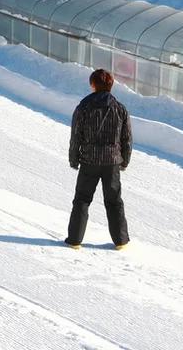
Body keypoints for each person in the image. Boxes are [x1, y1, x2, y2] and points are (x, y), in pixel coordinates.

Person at [65, 68, 131, 249]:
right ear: (111, 85)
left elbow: (76, 135)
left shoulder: (83, 107)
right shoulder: (120, 109)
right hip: (112, 162)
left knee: (82, 199)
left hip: (89, 161)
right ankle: (121, 241)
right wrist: (124, 160)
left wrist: (74, 159)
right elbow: (126, 138)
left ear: (93, 85)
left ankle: (75, 240)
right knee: (114, 201)